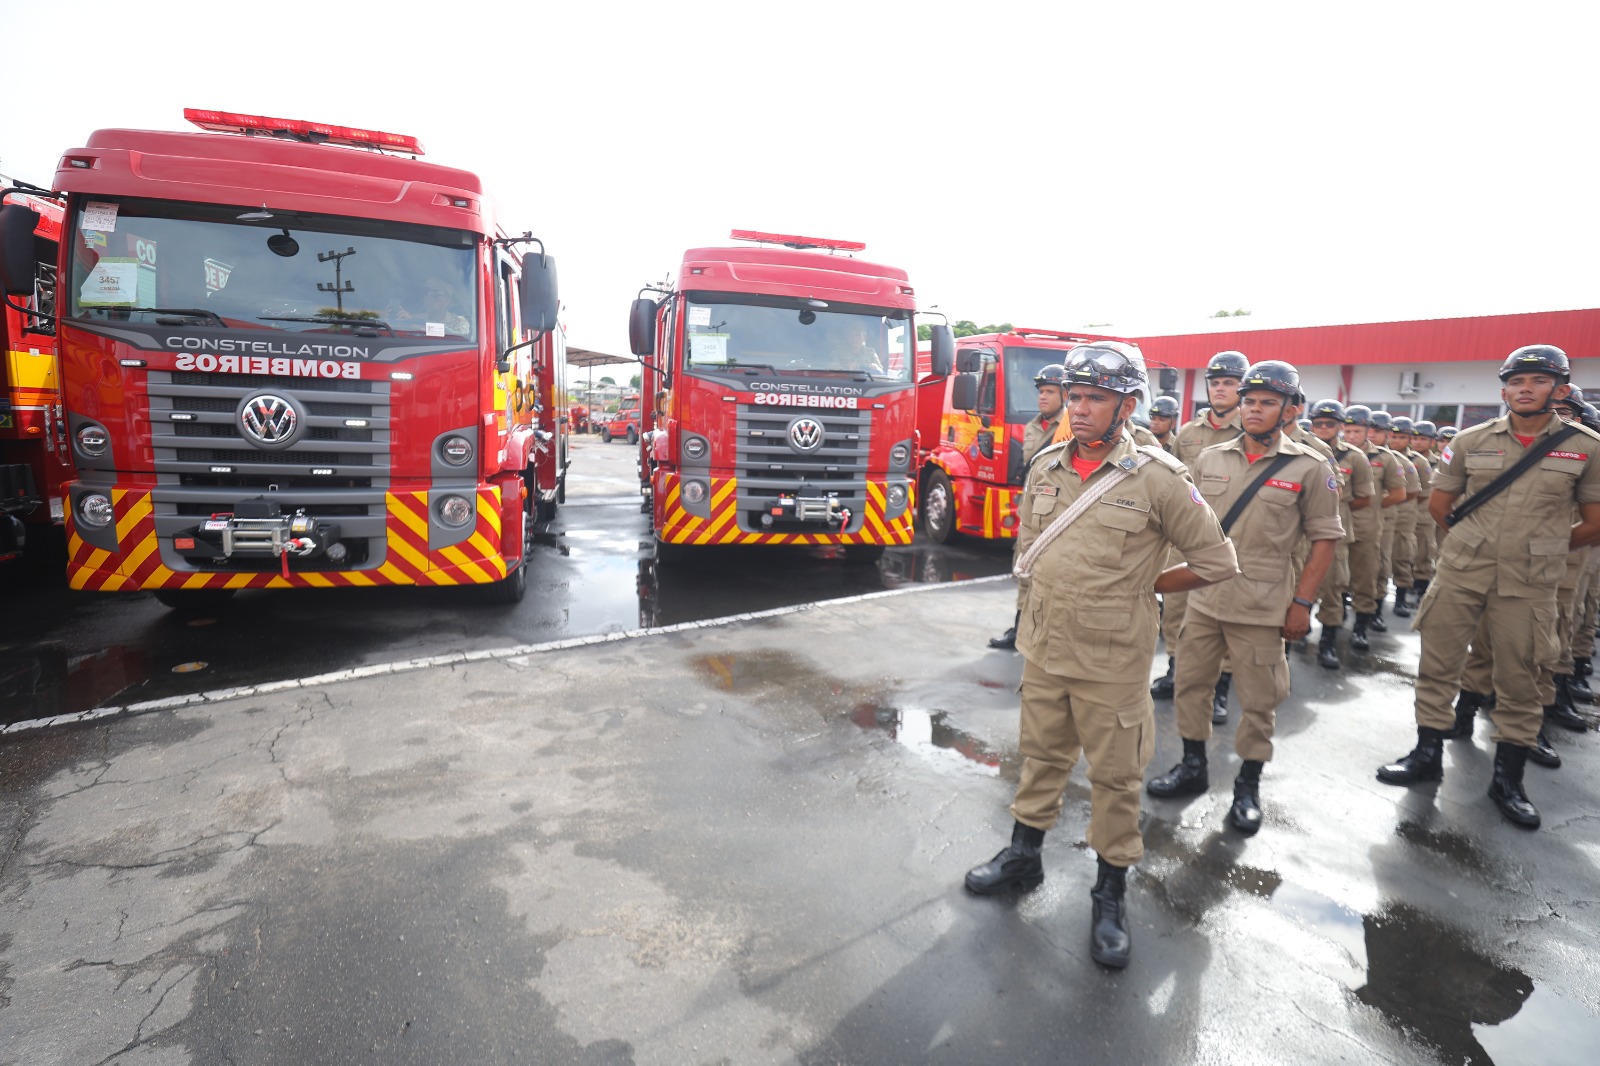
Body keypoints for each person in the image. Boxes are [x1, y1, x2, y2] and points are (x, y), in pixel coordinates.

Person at [963, 343, 1237, 970]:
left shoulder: (1160, 477)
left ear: (1127, 405)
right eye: (1075, 396)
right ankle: (1023, 855)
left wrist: (1145, 584)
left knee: (1115, 778)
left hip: (1113, 659)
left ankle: (1109, 891)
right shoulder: (1047, 465)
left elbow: (1218, 562)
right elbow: (1029, 548)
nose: (1078, 409)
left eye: (1094, 399)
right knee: (1040, 757)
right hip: (1045, 645)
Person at [1376, 345, 1600, 829]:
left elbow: (1593, 522)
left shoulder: (1585, 447)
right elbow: (1440, 505)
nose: (1525, 389)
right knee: (1438, 665)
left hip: (1530, 582)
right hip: (1462, 571)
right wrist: (1474, 544)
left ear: (1559, 389)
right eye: (1517, 382)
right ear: (1504, 390)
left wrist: (1544, 549)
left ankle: (1508, 779)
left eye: (1538, 381)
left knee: (1521, 676)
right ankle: (1426, 753)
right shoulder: (1471, 439)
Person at [1146, 360, 1343, 834]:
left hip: (1261, 604)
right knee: (1191, 686)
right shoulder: (1211, 458)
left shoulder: (1311, 467)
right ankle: (1193, 767)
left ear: (1290, 409)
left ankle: (1248, 785)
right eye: (1249, 401)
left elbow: (1325, 540)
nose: (1254, 410)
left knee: (1258, 700)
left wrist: (1302, 605)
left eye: (1267, 403)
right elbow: (1185, 521)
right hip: (1204, 596)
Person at [1155, 351, 1249, 711]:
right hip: (1186, 538)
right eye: (1215, 382)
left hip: (1232, 539)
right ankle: (1176, 671)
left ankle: (1220, 686)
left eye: (1229, 382)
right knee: (1176, 610)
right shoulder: (1190, 433)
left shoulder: (1251, 432)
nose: (1221, 389)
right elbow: (1174, 481)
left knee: (1222, 614)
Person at [990, 363, 1069, 649]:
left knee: (1053, 578)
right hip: (1031, 509)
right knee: (1024, 570)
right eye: (1041, 391)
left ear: (1064, 394)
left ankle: (1046, 634)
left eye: (1050, 391)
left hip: (1060, 512)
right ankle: (1019, 630)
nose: (1043, 397)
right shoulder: (1032, 426)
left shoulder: (1071, 425)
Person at [1307, 399, 1376, 668]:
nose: (1323, 427)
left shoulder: (1356, 457)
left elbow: (1364, 498)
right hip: (1299, 530)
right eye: (1318, 423)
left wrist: (1337, 507)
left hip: (1335, 530)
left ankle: (1327, 642)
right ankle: (1290, 640)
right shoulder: (1300, 448)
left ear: (1340, 426)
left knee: (1333, 587)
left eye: (1330, 423)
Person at [1339, 405, 1408, 650]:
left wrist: (1373, 506)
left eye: (1357, 431)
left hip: (1367, 526)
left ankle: (1361, 626)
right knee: (1335, 576)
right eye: (1347, 431)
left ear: (1368, 431)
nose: (1351, 436)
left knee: (1365, 576)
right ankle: (1331, 623)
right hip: (1337, 525)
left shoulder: (1385, 459)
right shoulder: (1334, 454)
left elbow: (1399, 493)